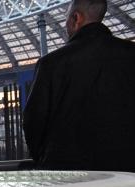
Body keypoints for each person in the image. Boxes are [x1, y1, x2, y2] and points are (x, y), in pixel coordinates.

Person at [23, 0, 135, 171]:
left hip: (68, 174)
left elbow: (33, 123)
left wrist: (46, 161)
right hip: (128, 175)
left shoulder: (51, 64)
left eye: (66, 19)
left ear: (76, 18)